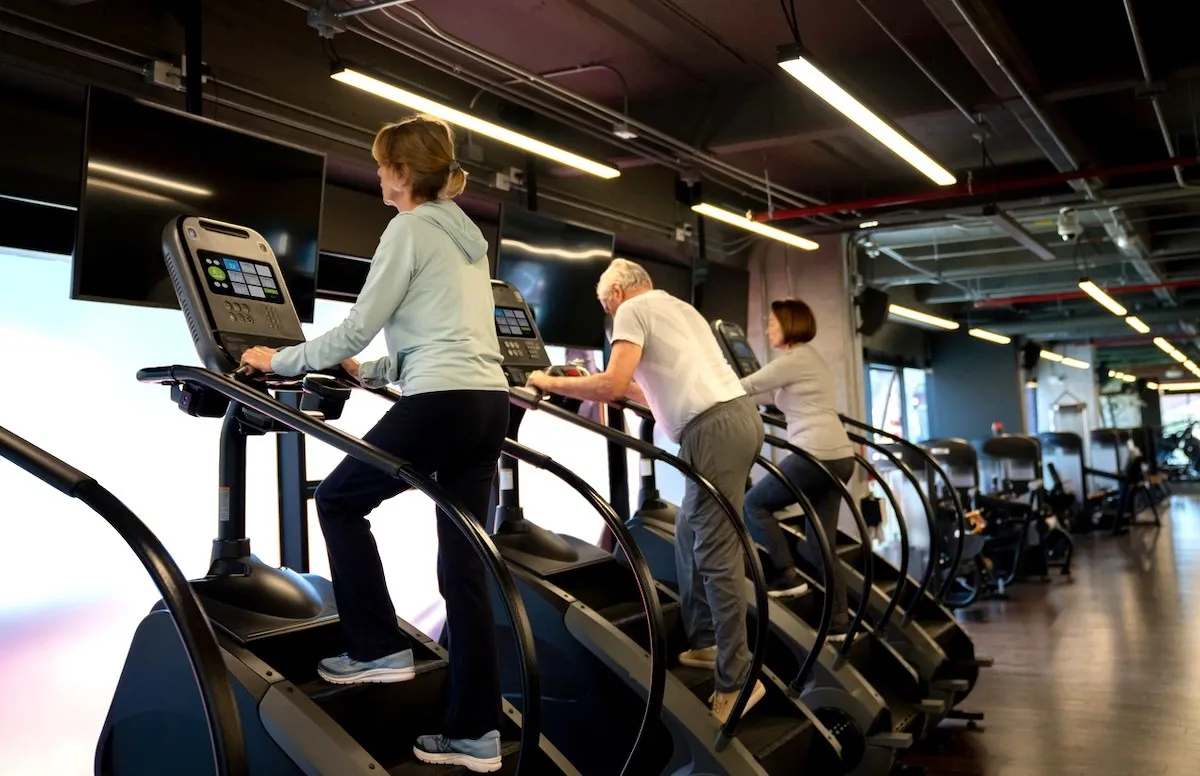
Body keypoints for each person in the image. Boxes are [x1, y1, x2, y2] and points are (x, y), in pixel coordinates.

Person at [238, 115, 509, 773]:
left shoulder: (408, 228)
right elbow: (446, 337)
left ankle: (376, 649)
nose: (379, 175)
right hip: (487, 402)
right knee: (465, 566)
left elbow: (359, 326)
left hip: (442, 402)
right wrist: (378, 373)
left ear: (403, 173)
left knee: (338, 501)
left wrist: (276, 361)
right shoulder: (468, 241)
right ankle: (477, 735)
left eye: (384, 165)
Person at [525, 258, 767, 724]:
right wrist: (589, 385)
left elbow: (614, 382)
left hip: (713, 429)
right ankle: (703, 641)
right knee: (689, 535)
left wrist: (547, 382)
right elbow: (643, 391)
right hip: (736, 419)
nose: (607, 316)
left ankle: (737, 680)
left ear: (615, 293)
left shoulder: (631, 311)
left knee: (716, 553)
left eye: (603, 306)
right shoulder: (678, 307)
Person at [740, 298, 857, 639]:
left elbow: (744, 386)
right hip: (839, 456)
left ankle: (786, 575)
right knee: (821, 544)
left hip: (813, 454)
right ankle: (839, 621)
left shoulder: (794, 359)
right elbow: (768, 397)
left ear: (788, 324)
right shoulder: (809, 361)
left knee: (753, 504)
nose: (767, 328)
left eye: (772, 322)